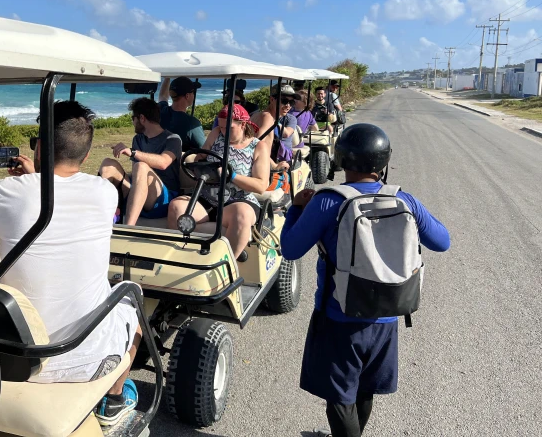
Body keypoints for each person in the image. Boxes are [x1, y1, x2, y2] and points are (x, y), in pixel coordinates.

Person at [0, 101, 140, 426]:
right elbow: (57, 201)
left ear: (39, 147)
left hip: (16, 359)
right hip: (90, 359)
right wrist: (36, 177)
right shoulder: (106, 192)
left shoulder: (7, 193)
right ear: (85, 156)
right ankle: (113, 400)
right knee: (132, 300)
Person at [280, 124, 450, 437]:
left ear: (341, 159)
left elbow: (290, 249)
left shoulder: (327, 201)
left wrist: (295, 210)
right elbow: (443, 241)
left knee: (339, 398)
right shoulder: (404, 200)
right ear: (384, 161)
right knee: (364, 389)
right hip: (388, 315)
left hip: (339, 316)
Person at [167, 104, 269, 260]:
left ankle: (227, 264)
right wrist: (199, 162)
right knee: (177, 206)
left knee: (242, 215)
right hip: (207, 198)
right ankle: (180, 258)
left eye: (228, 128)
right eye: (221, 127)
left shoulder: (258, 146)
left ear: (242, 125)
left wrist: (232, 176)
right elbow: (202, 154)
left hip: (238, 200)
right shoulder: (216, 134)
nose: (223, 131)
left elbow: (261, 185)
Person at [99, 98, 182, 226]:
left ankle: (128, 228)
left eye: (133, 118)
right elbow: (135, 174)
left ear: (142, 118)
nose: (132, 122)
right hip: (139, 192)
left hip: (163, 199)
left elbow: (163, 162)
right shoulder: (138, 139)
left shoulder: (173, 139)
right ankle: (100, 220)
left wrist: (133, 152)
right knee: (108, 164)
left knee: (141, 167)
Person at [252, 85, 297, 171]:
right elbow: (256, 144)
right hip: (260, 168)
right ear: (272, 99)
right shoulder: (268, 118)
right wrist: (274, 166)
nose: (288, 105)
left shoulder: (258, 115)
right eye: (284, 101)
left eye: (291, 102)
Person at [157, 77, 206, 150]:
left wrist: (167, 77)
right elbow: (204, 151)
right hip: (179, 157)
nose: (194, 95)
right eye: (193, 92)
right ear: (187, 96)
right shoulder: (192, 124)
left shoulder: (160, 111)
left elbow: (163, 96)